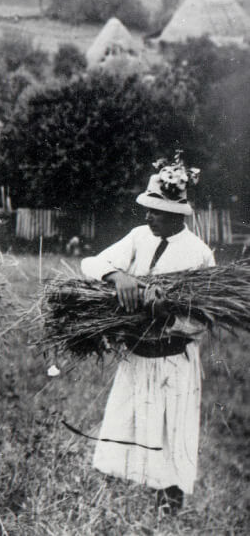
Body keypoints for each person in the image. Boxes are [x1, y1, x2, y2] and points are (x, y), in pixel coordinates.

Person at [79, 155, 213, 515]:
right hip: (137, 355)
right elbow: (90, 263)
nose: (148, 216)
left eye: (155, 211)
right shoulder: (138, 238)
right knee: (126, 424)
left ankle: (168, 508)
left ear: (175, 215)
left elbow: (202, 321)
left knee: (171, 434)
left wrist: (165, 313)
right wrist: (116, 276)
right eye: (148, 209)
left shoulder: (199, 255)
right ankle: (115, 507)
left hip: (173, 361)